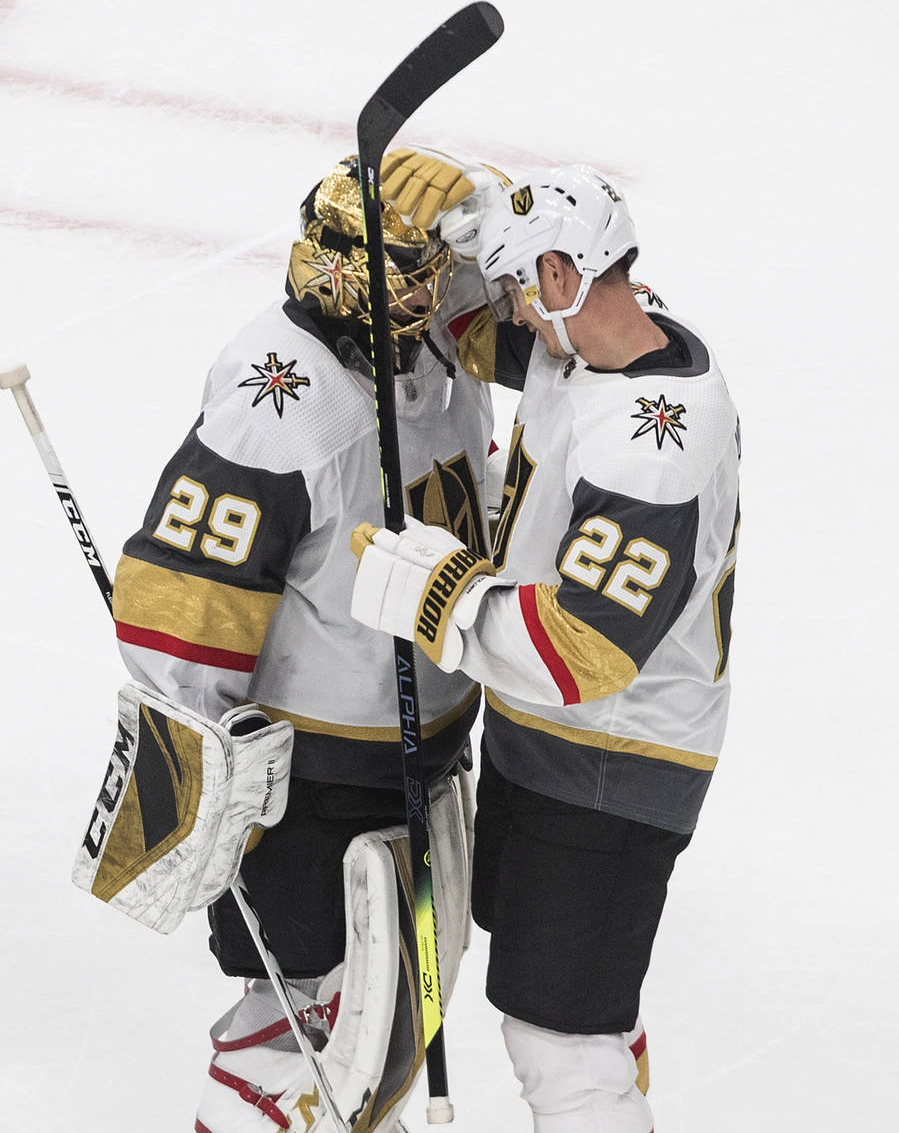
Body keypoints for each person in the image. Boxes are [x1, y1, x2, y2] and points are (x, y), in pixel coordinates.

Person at [103, 149, 505, 1132]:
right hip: (314, 779)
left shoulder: (445, 332)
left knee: (381, 1023)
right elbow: (178, 605)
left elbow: (570, 330)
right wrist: (210, 768)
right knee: (295, 1023)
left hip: (430, 746)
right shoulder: (278, 396)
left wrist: (495, 214)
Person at [351, 163, 741, 1133]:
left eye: (524, 286)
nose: (511, 310)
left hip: (613, 765)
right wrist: (444, 229)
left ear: (566, 276)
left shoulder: (656, 446)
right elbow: (474, 327)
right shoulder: (595, 345)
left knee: (558, 1041)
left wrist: (439, 596)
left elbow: (582, 651)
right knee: (576, 1006)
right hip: (550, 748)